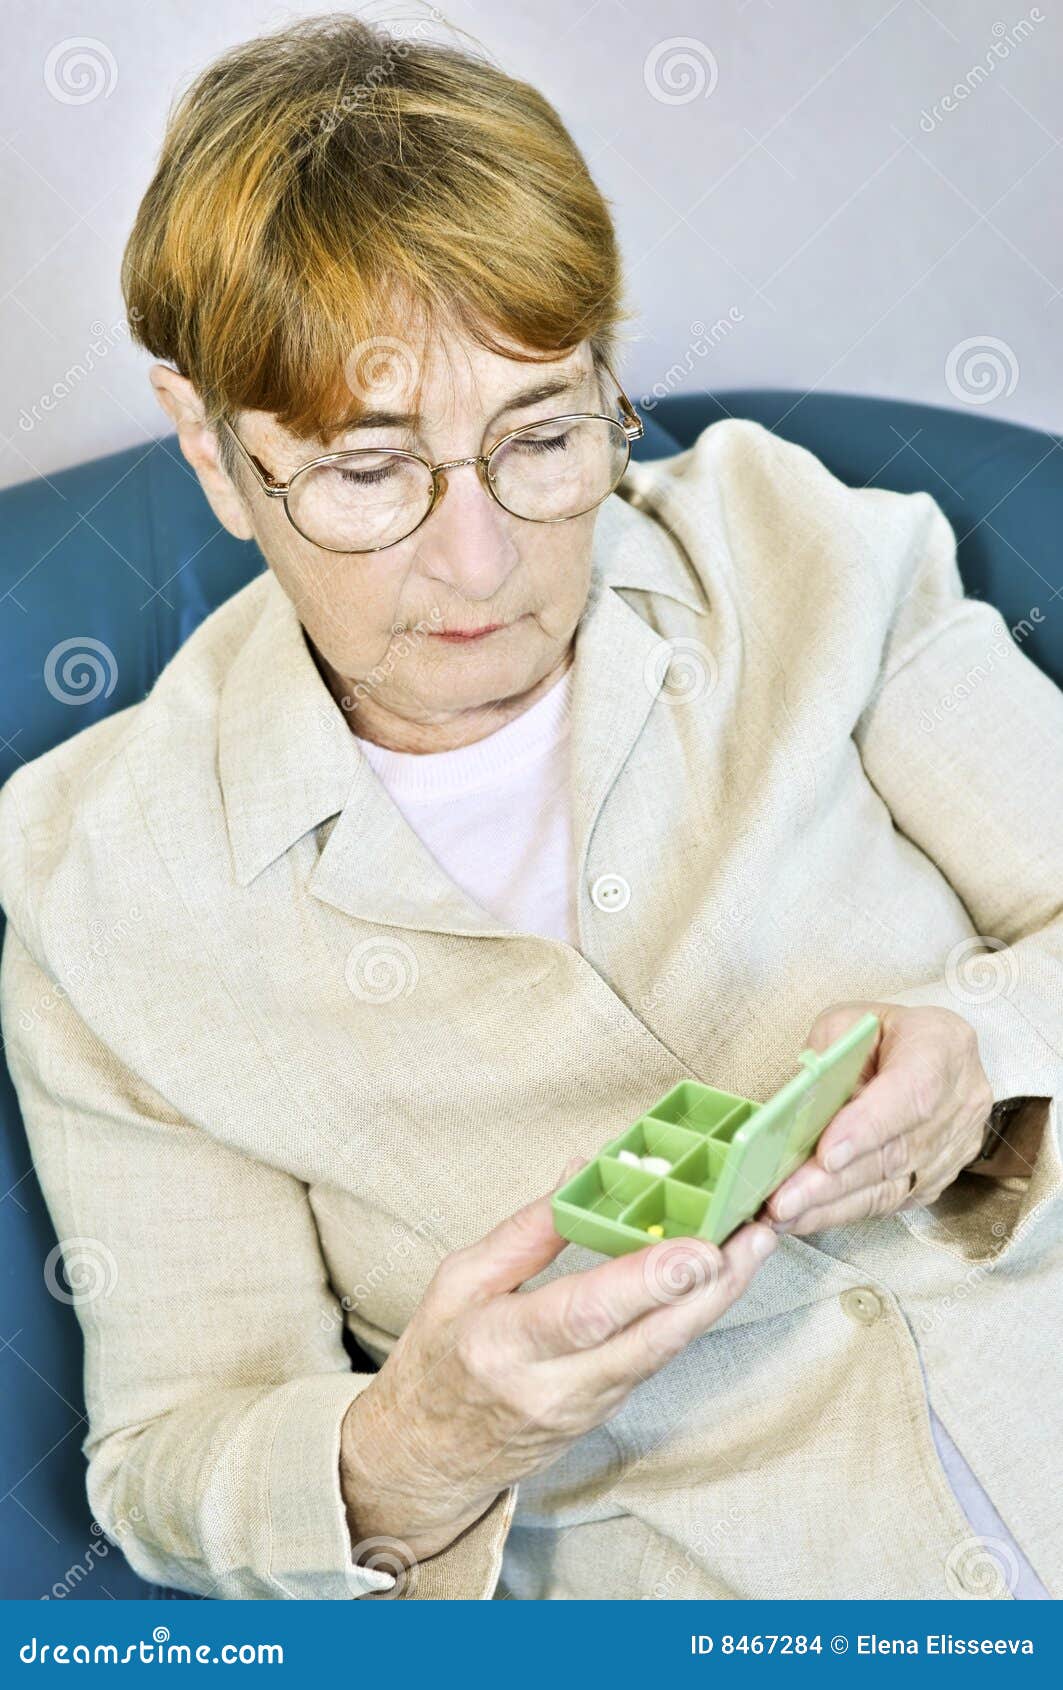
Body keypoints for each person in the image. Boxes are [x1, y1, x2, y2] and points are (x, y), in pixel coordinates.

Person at [1, 14, 1060, 1602]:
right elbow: (168, 1450)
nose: (482, 564)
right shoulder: (98, 886)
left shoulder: (794, 542)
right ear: (213, 453)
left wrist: (990, 1051)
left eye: (545, 437)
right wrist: (423, 1438)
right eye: (368, 472)